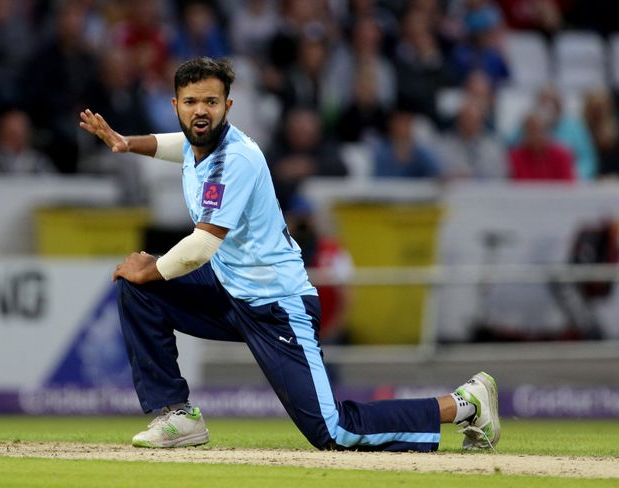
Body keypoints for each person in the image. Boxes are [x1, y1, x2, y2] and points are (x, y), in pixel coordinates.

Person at [78, 57, 500, 451]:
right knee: (139, 293)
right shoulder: (198, 141)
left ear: (228, 105)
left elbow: (202, 246)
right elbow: (177, 146)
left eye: (210, 101)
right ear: (176, 106)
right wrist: (125, 142)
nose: (200, 111)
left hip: (276, 305)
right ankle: (179, 416)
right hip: (230, 288)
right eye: (190, 102)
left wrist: (150, 266)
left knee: (333, 432)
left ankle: (465, 403)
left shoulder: (234, 159)